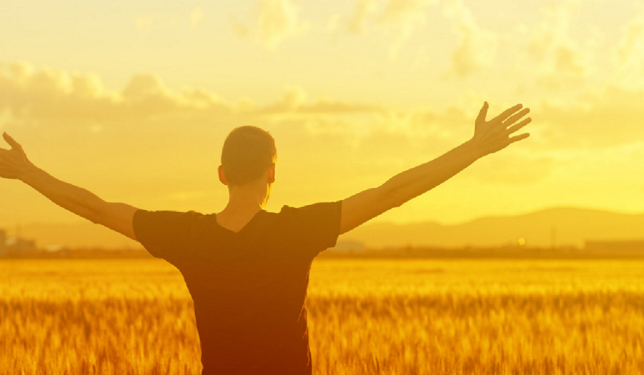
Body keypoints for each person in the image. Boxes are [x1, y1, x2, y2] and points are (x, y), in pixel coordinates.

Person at [0, 102, 531, 374]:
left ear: (221, 174)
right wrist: (473, 150)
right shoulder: (295, 231)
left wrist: (26, 171)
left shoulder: (185, 236)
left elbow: (93, 208)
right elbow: (393, 191)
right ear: (273, 173)